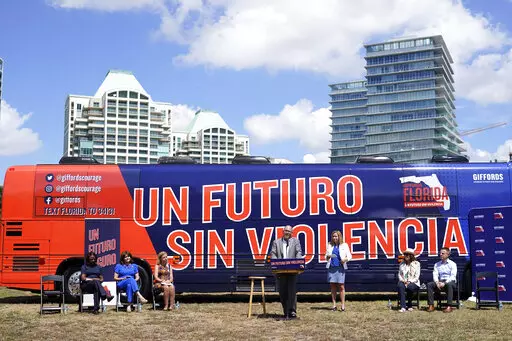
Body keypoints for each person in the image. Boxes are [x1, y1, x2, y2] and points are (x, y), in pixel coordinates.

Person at [270, 225, 303, 319]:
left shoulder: (295, 241)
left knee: (292, 291)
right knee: (283, 292)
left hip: (292, 270)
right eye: (286, 231)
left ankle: (292, 311)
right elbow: (273, 254)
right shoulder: (276, 242)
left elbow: (298, 252)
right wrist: (276, 263)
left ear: (292, 233)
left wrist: (297, 262)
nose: (287, 233)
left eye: (289, 231)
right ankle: (286, 311)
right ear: (283, 231)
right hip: (280, 271)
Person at [325, 230, 352, 312]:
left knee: (341, 286)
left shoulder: (344, 245)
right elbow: (326, 257)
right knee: (332, 286)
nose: (334, 238)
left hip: (340, 268)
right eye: (333, 236)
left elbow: (350, 256)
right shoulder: (329, 245)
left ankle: (343, 305)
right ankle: (334, 305)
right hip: (331, 268)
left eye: (336, 236)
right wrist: (328, 256)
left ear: (339, 236)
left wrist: (345, 260)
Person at [427, 247, 457, 313]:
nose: (440, 254)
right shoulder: (437, 264)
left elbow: (453, 276)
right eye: (440, 253)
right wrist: (437, 282)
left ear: (448, 254)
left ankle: (449, 306)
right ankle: (431, 305)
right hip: (440, 282)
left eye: (442, 253)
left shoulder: (453, 264)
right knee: (429, 285)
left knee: (449, 284)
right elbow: (435, 274)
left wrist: (445, 283)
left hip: (450, 282)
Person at [397, 248, 421, 312]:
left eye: (408, 254)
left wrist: (409, 281)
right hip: (404, 281)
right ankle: (403, 307)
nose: (406, 256)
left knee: (410, 287)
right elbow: (399, 274)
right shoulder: (402, 264)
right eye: (405, 254)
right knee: (400, 285)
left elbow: (417, 277)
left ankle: (410, 305)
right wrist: (403, 281)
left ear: (411, 256)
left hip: (414, 282)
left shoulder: (417, 264)